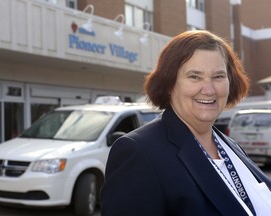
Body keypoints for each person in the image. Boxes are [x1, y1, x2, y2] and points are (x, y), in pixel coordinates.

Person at [100, 30, 271, 215]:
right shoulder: (139, 152)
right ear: (169, 83)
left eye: (218, 76)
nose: (209, 89)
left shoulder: (230, 146)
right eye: (194, 76)